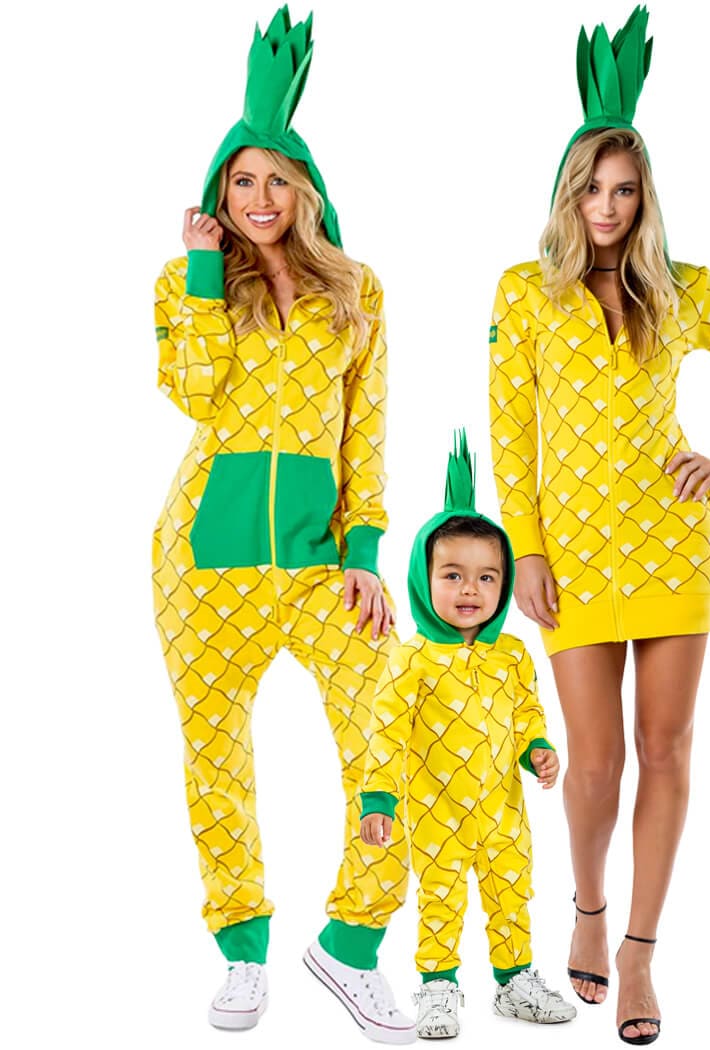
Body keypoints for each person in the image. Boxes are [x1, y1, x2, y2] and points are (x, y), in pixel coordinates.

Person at [488, 7, 710, 1045]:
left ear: (644, 197)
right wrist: (526, 549)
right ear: (567, 193)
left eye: (624, 189)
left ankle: (641, 953)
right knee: (595, 761)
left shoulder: (685, 291)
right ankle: (587, 906)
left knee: (665, 749)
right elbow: (511, 435)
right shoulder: (524, 295)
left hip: (673, 546)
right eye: (592, 188)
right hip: (570, 556)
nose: (607, 206)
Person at [152, 9, 414, 1042]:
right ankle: (242, 952)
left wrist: (363, 553)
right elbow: (193, 393)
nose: (259, 199)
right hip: (202, 560)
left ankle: (351, 942)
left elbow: (368, 436)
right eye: (240, 183)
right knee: (214, 755)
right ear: (219, 196)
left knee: (389, 726)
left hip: (317, 565)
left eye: (276, 181)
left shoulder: (358, 292)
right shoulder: (190, 284)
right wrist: (202, 270)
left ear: (307, 189)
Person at [359, 433, 578, 1039]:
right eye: (452, 575)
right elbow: (385, 734)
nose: (469, 590)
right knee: (441, 899)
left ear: (503, 584)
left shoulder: (512, 655)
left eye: (486, 577)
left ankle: (515, 982)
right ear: (422, 576)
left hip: (503, 810)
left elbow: (527, 713)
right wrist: (378, 800)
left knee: (513, 892)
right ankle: (437, 987)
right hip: (437, 812)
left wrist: (539, 751)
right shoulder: (412, 660)